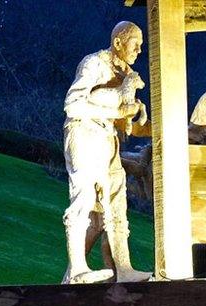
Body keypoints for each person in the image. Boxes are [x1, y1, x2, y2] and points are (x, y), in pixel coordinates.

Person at [62, 21, 151, 284]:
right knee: (84, 196)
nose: (139, 50)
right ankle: (78, 269)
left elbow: (126, 123)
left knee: (116, 199)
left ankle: (123, 268)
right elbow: (73, 105)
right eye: (136, 44)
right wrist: (118, 111)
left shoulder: (126, 73)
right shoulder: (94, 64)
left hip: (107, 139)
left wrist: (138, 116)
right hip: (84, 132)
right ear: (118, 43)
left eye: (141, 46)